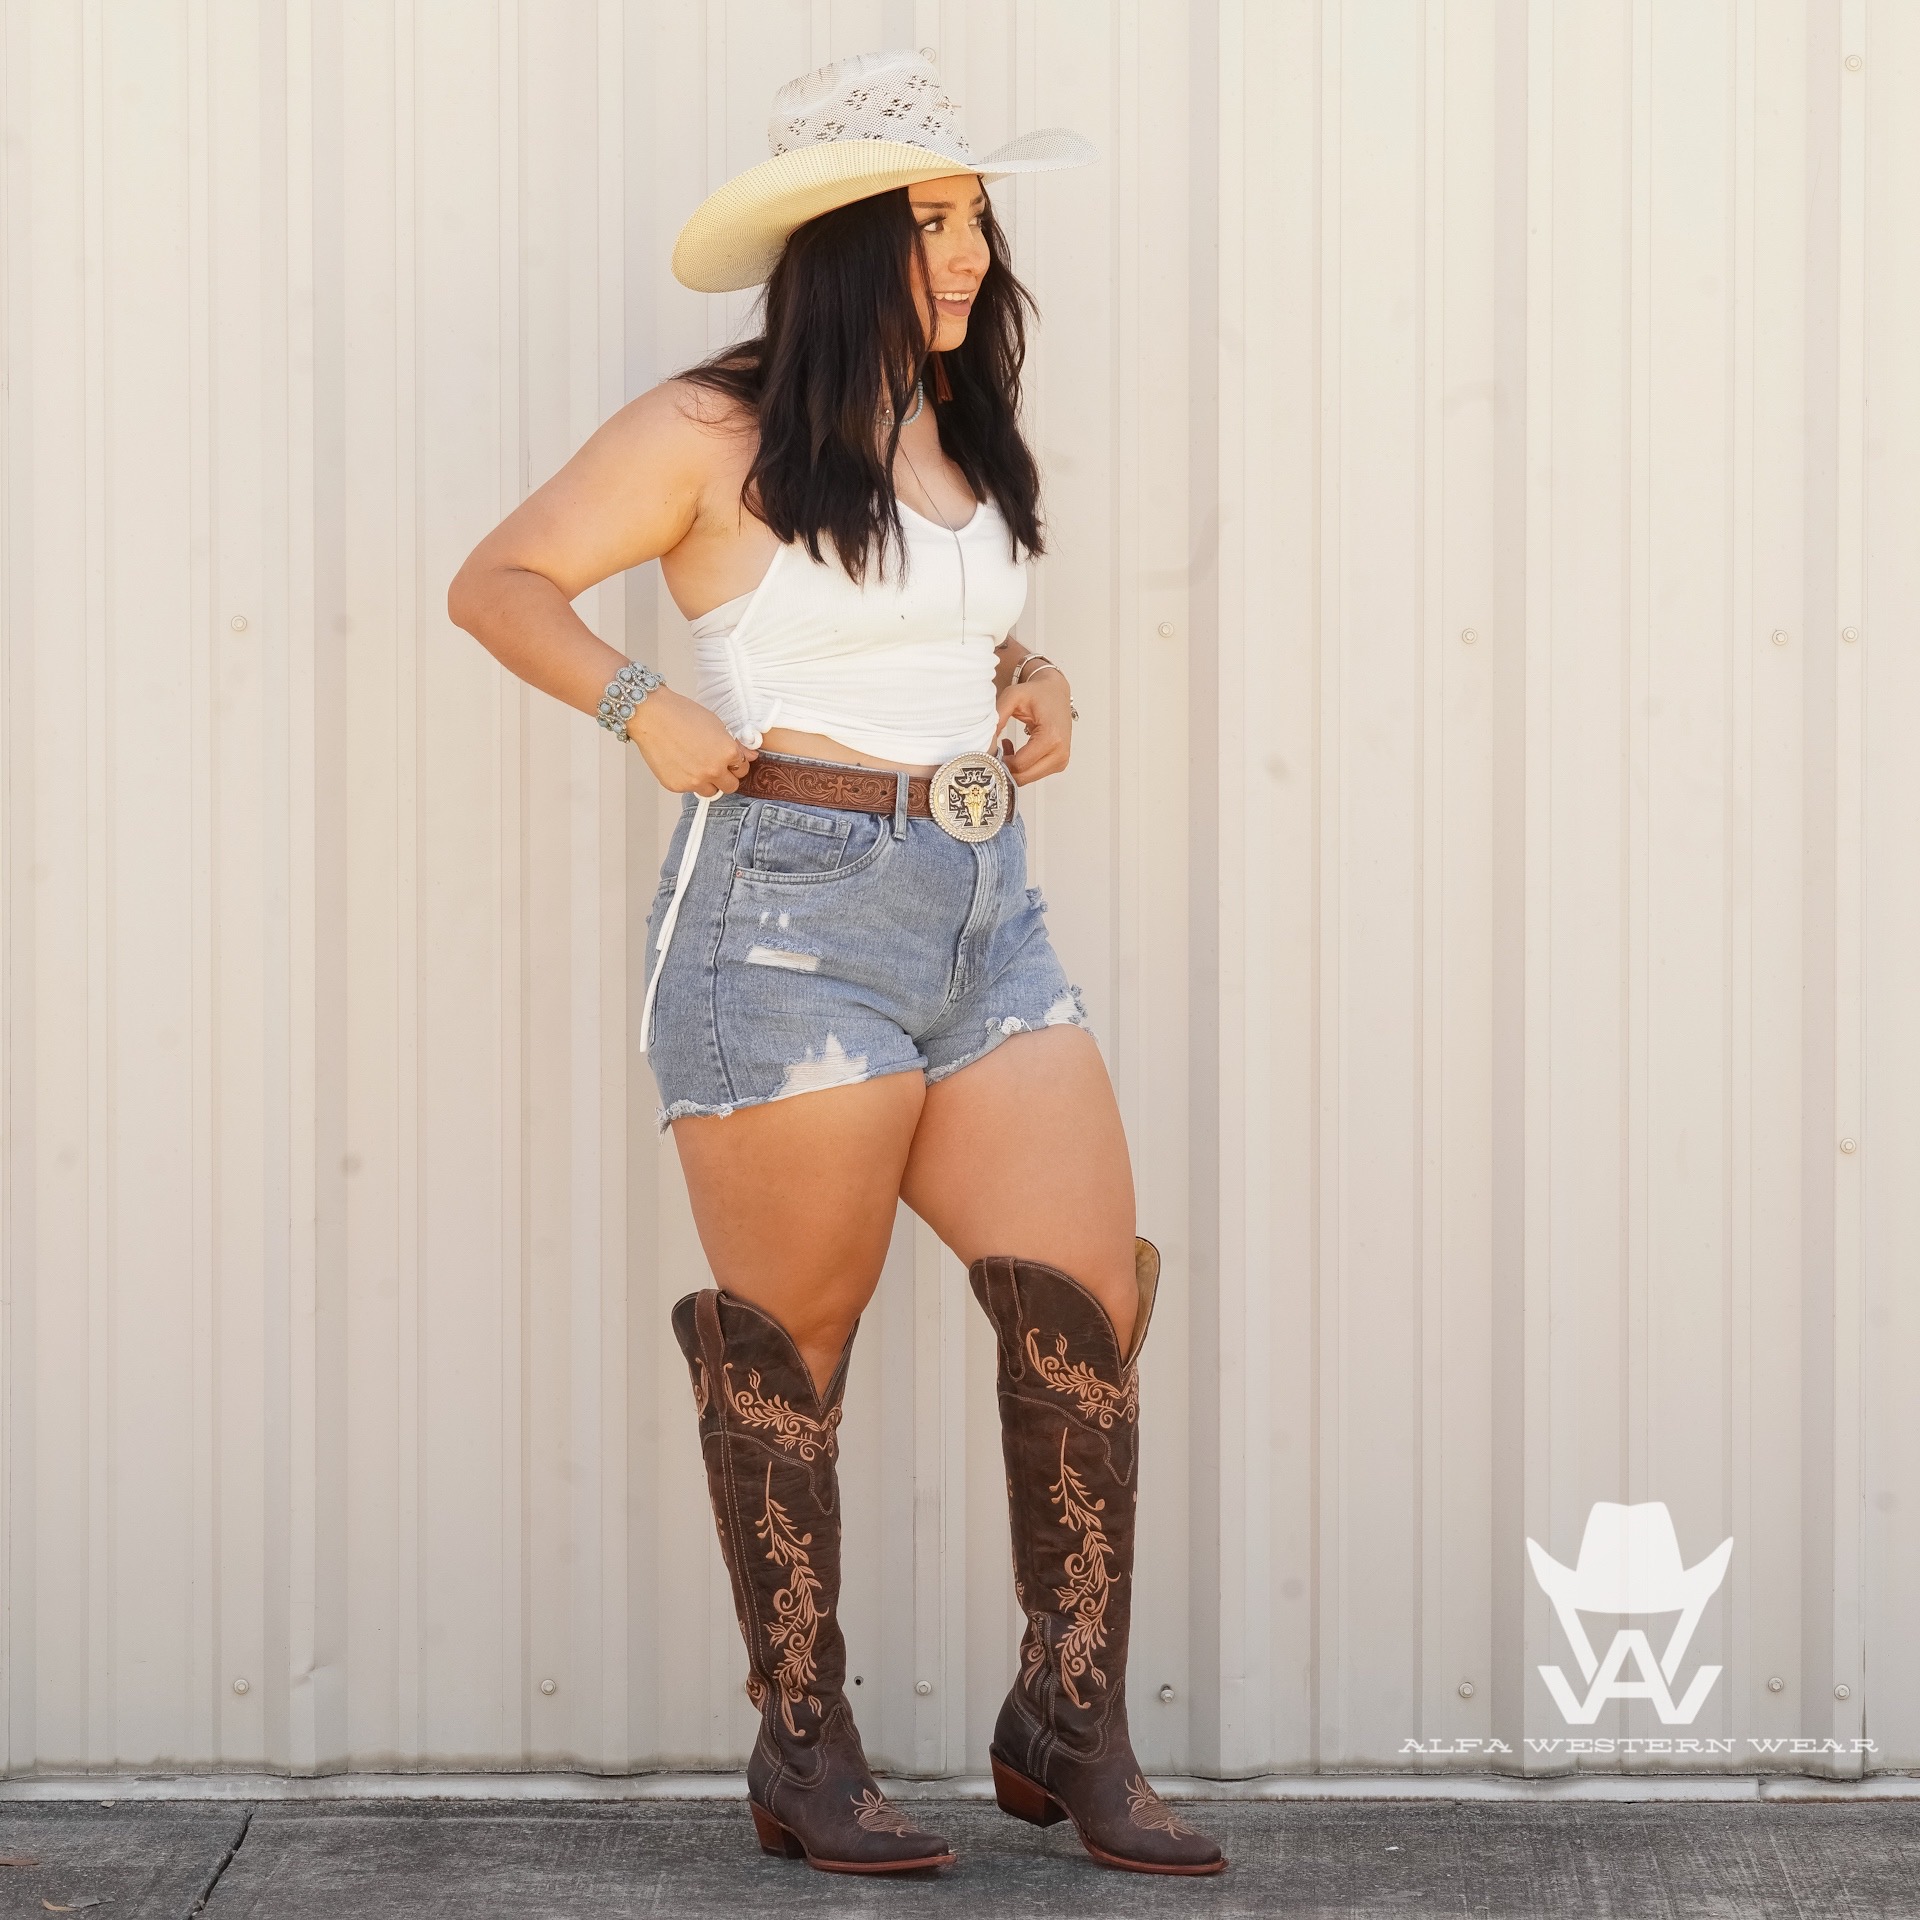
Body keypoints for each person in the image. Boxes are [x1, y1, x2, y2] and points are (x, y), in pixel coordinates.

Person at [449, 49, 1224, 1879]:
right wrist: (639, 707)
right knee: (793, 1348)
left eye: (976, 219)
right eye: (930, 221)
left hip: (984, 909)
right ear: (843, 240)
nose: (967, 255)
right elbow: (500, 583)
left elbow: (955, 624)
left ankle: (1070, 1718)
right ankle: (804, 1746)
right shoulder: (704, 431)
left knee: (1082, 1301)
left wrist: (1036, 680)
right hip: (785, 924)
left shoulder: (955, 422)